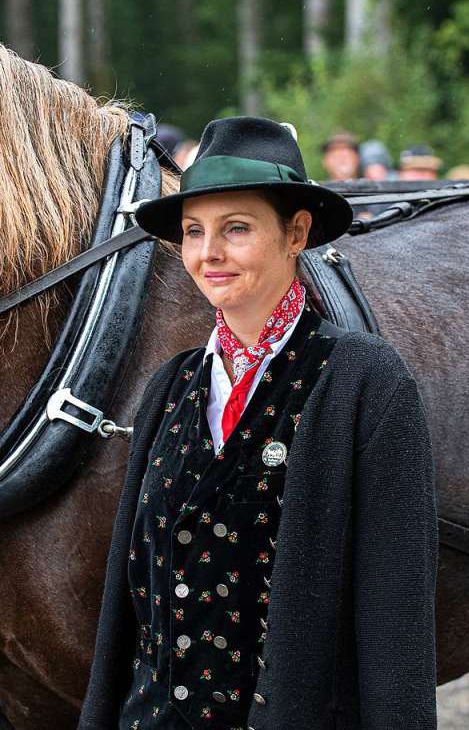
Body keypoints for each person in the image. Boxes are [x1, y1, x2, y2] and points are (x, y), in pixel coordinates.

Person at [79, 117, 437, 729]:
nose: (208, 253)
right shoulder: (170, 385)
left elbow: (396, 618)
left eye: (236, 228)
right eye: (194, 232)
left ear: (296, 233)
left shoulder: (366, 383)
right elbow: (129, 599)